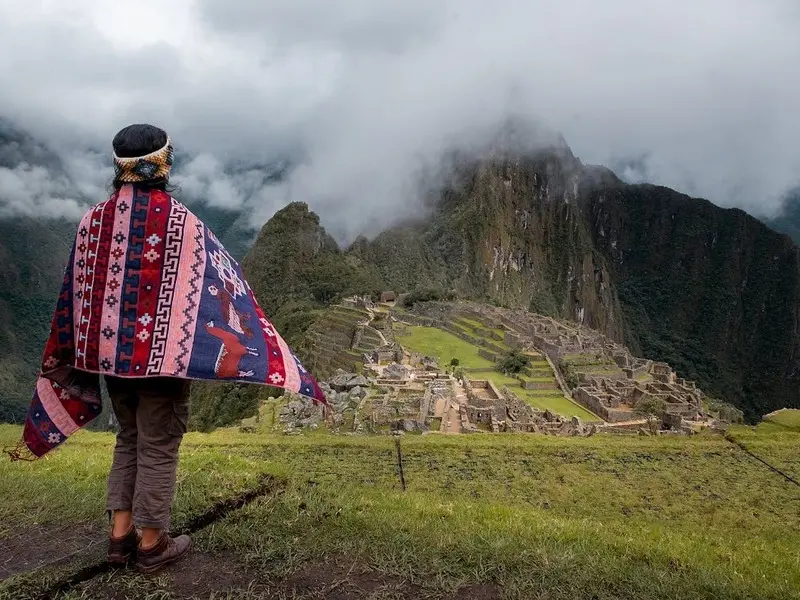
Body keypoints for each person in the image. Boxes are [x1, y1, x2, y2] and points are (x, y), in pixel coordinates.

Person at [7, 124, 327, 574]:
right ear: (164, 164)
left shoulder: (91, 222)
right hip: (163, 365)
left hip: (111, 360)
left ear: (119, 169)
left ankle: (119, 539)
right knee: (158, 446)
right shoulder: (183, 224)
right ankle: (152, 545)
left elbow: (78, 296)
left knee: (129, 438)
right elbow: (225, 294)